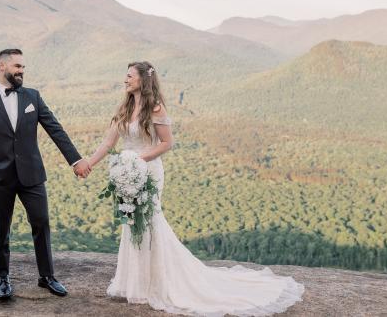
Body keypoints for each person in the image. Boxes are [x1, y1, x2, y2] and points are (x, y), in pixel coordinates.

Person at [85, 61, 305, 315]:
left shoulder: (155, 107)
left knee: (149, 221)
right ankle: (133, 283)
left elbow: (167, 143)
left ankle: (158, 283)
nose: (125, 80)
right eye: (126, 76)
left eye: (130, 76)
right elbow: (107, 142)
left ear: (144, 80)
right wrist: (88, 163)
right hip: (127, 171)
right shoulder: (124, 108)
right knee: (131, 222)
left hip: (147, 171)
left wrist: (138, 159)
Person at [0, 48, 92, 300]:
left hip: (32, 175)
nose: (21, 71)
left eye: (23, 67)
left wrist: (75, 160)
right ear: (2, 67)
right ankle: (2, 277)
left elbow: (55, 129)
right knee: (1, 228)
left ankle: (47, 276)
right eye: (17, 66)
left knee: (41, 223)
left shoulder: (33, 97)